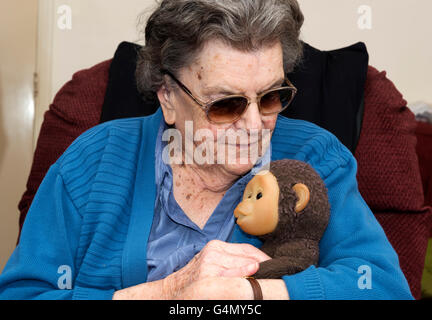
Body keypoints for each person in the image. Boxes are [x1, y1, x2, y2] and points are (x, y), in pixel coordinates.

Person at [0, 0, 412, 300]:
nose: (254, 126)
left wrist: (249, 295)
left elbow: (382, 286)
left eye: (271, 97)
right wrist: (165, 294)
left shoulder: (317, 158)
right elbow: (24, 294)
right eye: (226, 104)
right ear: (167, 97)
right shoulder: (92, 163)